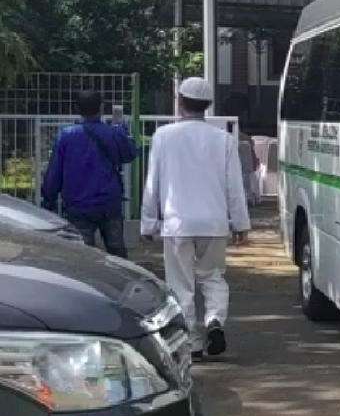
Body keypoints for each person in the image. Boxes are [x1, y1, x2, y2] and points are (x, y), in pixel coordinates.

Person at [141, 78, 251, 361]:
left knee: (180, 284)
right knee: (213, 276)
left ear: (180, 101)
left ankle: (191, 343)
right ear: (208, 105)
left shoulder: (163, 136)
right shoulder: (223, 139)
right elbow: (234, 186)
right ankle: (214, 319)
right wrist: (240, 223)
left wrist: (149, 222)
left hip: (177, 222)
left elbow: (152, 183)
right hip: (213, 222)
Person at [40, 91, 139, 257]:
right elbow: (130, 154)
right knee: (117, 252)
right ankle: (120, 281)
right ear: (101, 108)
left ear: (76, 108)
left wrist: (48, 199)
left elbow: (54, 172)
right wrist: (122, 130)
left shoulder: (66, 135)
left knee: (82, 256)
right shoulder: (113, 133)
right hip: (109, 202)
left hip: (78, 204)